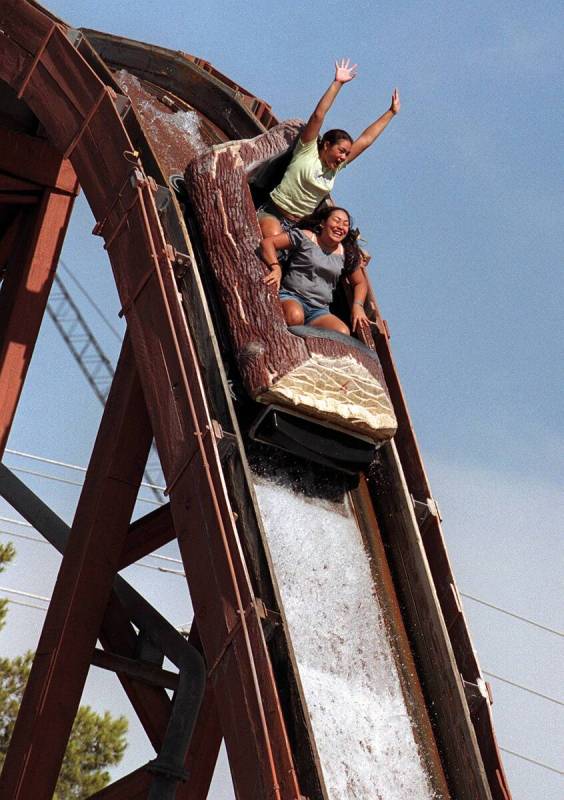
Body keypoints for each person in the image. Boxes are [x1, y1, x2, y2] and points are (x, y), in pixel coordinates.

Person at [257, 59, 400, 238]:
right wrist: (338, 83)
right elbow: (319, 115)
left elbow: (366, 140)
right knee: (274, 237)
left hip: (299, 226)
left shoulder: (335, 168)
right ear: (326, 145)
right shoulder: (307, 150)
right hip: (274, 214)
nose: (343, 157)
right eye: (341, 151)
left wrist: (391, 113)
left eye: (346, 154)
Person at [260, 206, 369, 336]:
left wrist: (358, 306)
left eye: (345, 224)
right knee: (295, 317)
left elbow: (360, 283)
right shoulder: (306, 237)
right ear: (323, 223)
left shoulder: (346, 253)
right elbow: (268, 243)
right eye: (336, 221)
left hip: (319, 310)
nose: (340, 227)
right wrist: (276, 267)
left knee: (342, 332)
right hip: (292, 297)